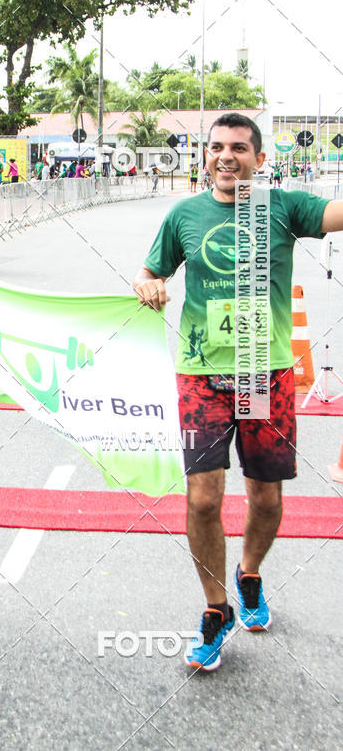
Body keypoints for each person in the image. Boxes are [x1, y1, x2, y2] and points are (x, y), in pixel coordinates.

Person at [133, 112, 343, 672]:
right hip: (202, 374)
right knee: (202, 498)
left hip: (262, 372)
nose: (227, 157)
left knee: (266, 499)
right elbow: (149, 271)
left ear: (259, 158)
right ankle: (214, 608)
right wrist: (151, 285)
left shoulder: (283, 207)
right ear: (207, 157)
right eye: (217, 148)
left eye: (239, 149)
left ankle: (249, 575)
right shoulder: (185, 215)